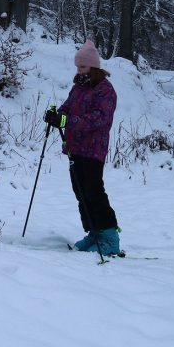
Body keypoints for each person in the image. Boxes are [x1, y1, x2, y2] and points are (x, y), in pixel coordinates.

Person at [44, 40, 121, 255]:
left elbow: (100, 119)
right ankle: (94, 233)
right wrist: (56, 116)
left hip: (93, 149)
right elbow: (67, 108)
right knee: (81, 192)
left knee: (94, 192)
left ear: (94, 66)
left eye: (83, 67)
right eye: (78, 67)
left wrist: (69, 121)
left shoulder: (105, 89)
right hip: (74, 148)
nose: (79, 70)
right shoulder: (79, 86)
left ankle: (110, 237)